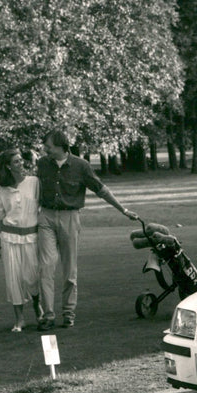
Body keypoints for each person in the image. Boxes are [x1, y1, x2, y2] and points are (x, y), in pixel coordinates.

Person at [36, 130, 139, 330]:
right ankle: (48, 316)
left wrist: (123, 210)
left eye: (48, 145)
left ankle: (68, 313)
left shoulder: (80, 166)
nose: (45, 148)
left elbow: (101, 190)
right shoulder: (42, 164)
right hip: (46, 217)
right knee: (45, 267)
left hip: (70, 217)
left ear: (60, 146)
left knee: (69, 269)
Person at [0, 150, 43, 332]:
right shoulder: (2, 189)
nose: (21, 163)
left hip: (32, 237)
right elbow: (0, 218)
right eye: (16, 161)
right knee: (13, 279)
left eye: (21, 160)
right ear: (8, 166)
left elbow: (42, 208)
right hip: (9, 239)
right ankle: (19, 319)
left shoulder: (34, 182)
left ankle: (38, 308)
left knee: (32, 277)